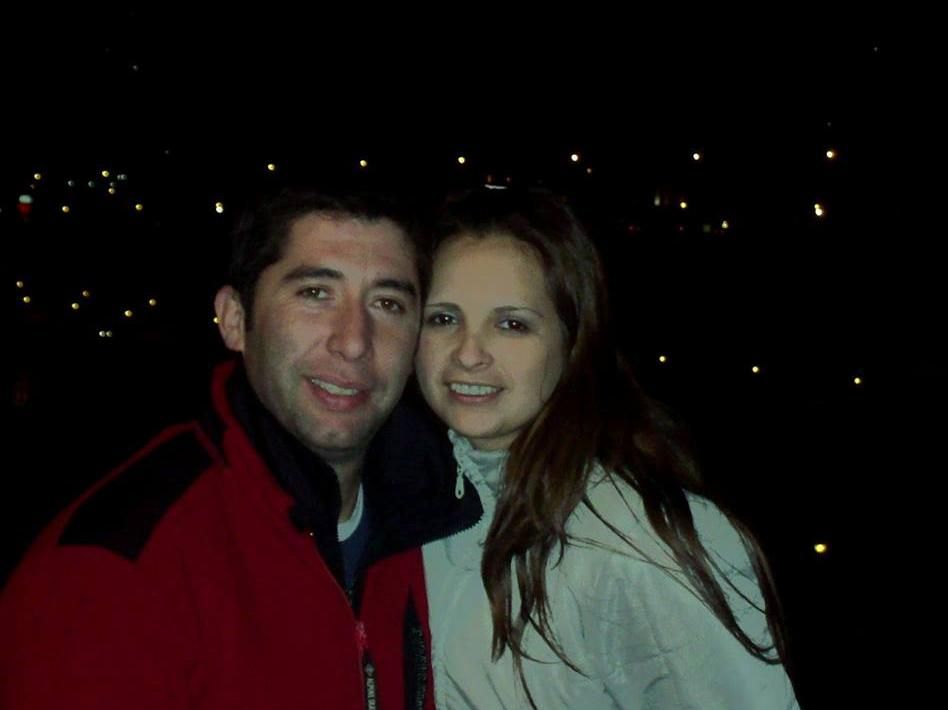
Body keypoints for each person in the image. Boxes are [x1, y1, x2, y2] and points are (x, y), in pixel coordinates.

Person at [0, 186, 481, 709]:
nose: (353, 341)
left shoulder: (435, 519)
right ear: (234, 319)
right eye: (315, 293)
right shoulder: (109, 574)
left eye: (388, 304)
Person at [417, 187, 800, 709]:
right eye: (443, 318)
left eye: (512, 324)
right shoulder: (409, 509)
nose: (468, 353)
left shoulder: (640, 541)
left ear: (572, 341)